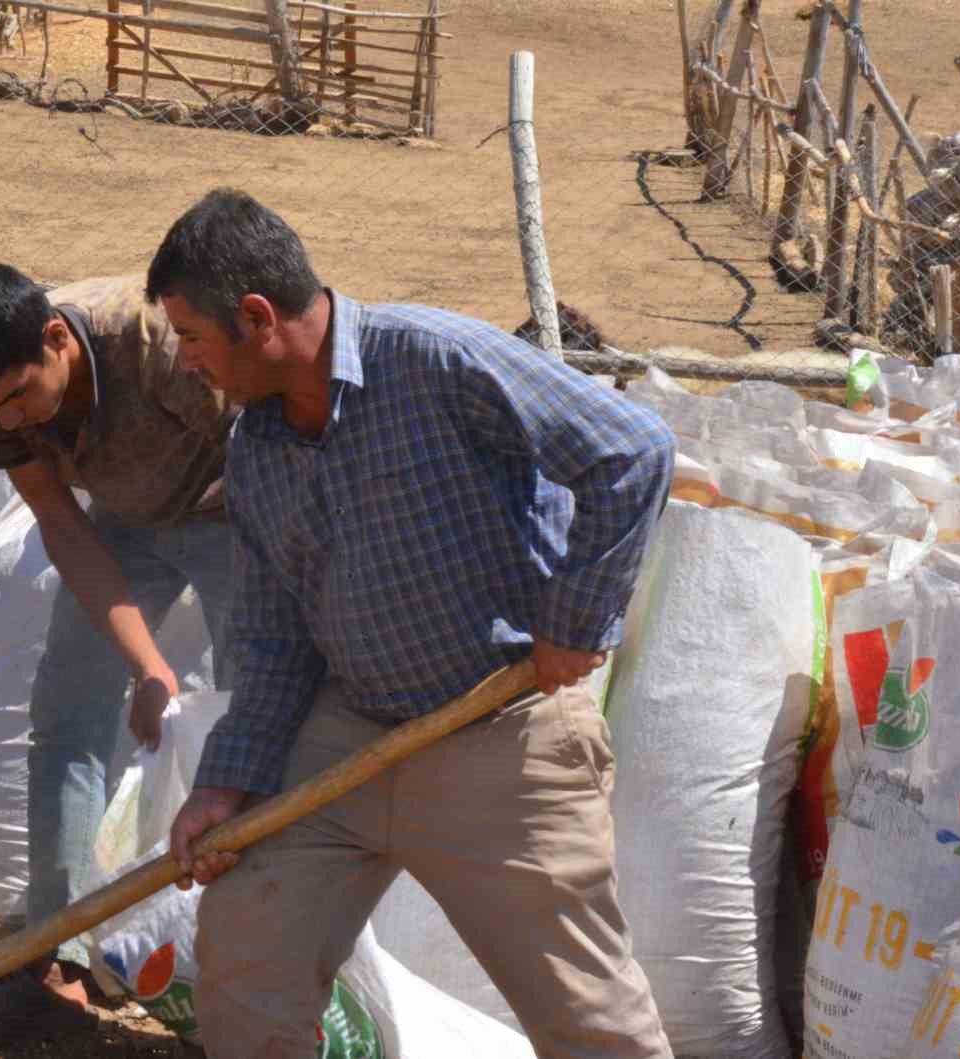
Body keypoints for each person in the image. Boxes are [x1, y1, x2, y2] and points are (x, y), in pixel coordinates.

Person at [145, 189, 677, 1059]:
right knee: (245, 958)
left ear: (256, 317)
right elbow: (276, 642)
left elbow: (632, 449)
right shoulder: (256, 451)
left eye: (194, 339)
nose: (186, 362)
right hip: (347, 737)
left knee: (592, 1025)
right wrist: (222, 786)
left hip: (498, 729)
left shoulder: (436, 359)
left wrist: (575, 618)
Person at [0, 263, 237, 1031]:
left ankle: (246, 953)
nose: (15, 421)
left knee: (256, 718)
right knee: (65, 714)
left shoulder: (156, 341)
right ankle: (59, 948)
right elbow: (65, 527)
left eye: (22, 397)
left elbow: (274, 449)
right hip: (126, 520)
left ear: (57, 339)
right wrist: (148, 664)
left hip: (237, 511)